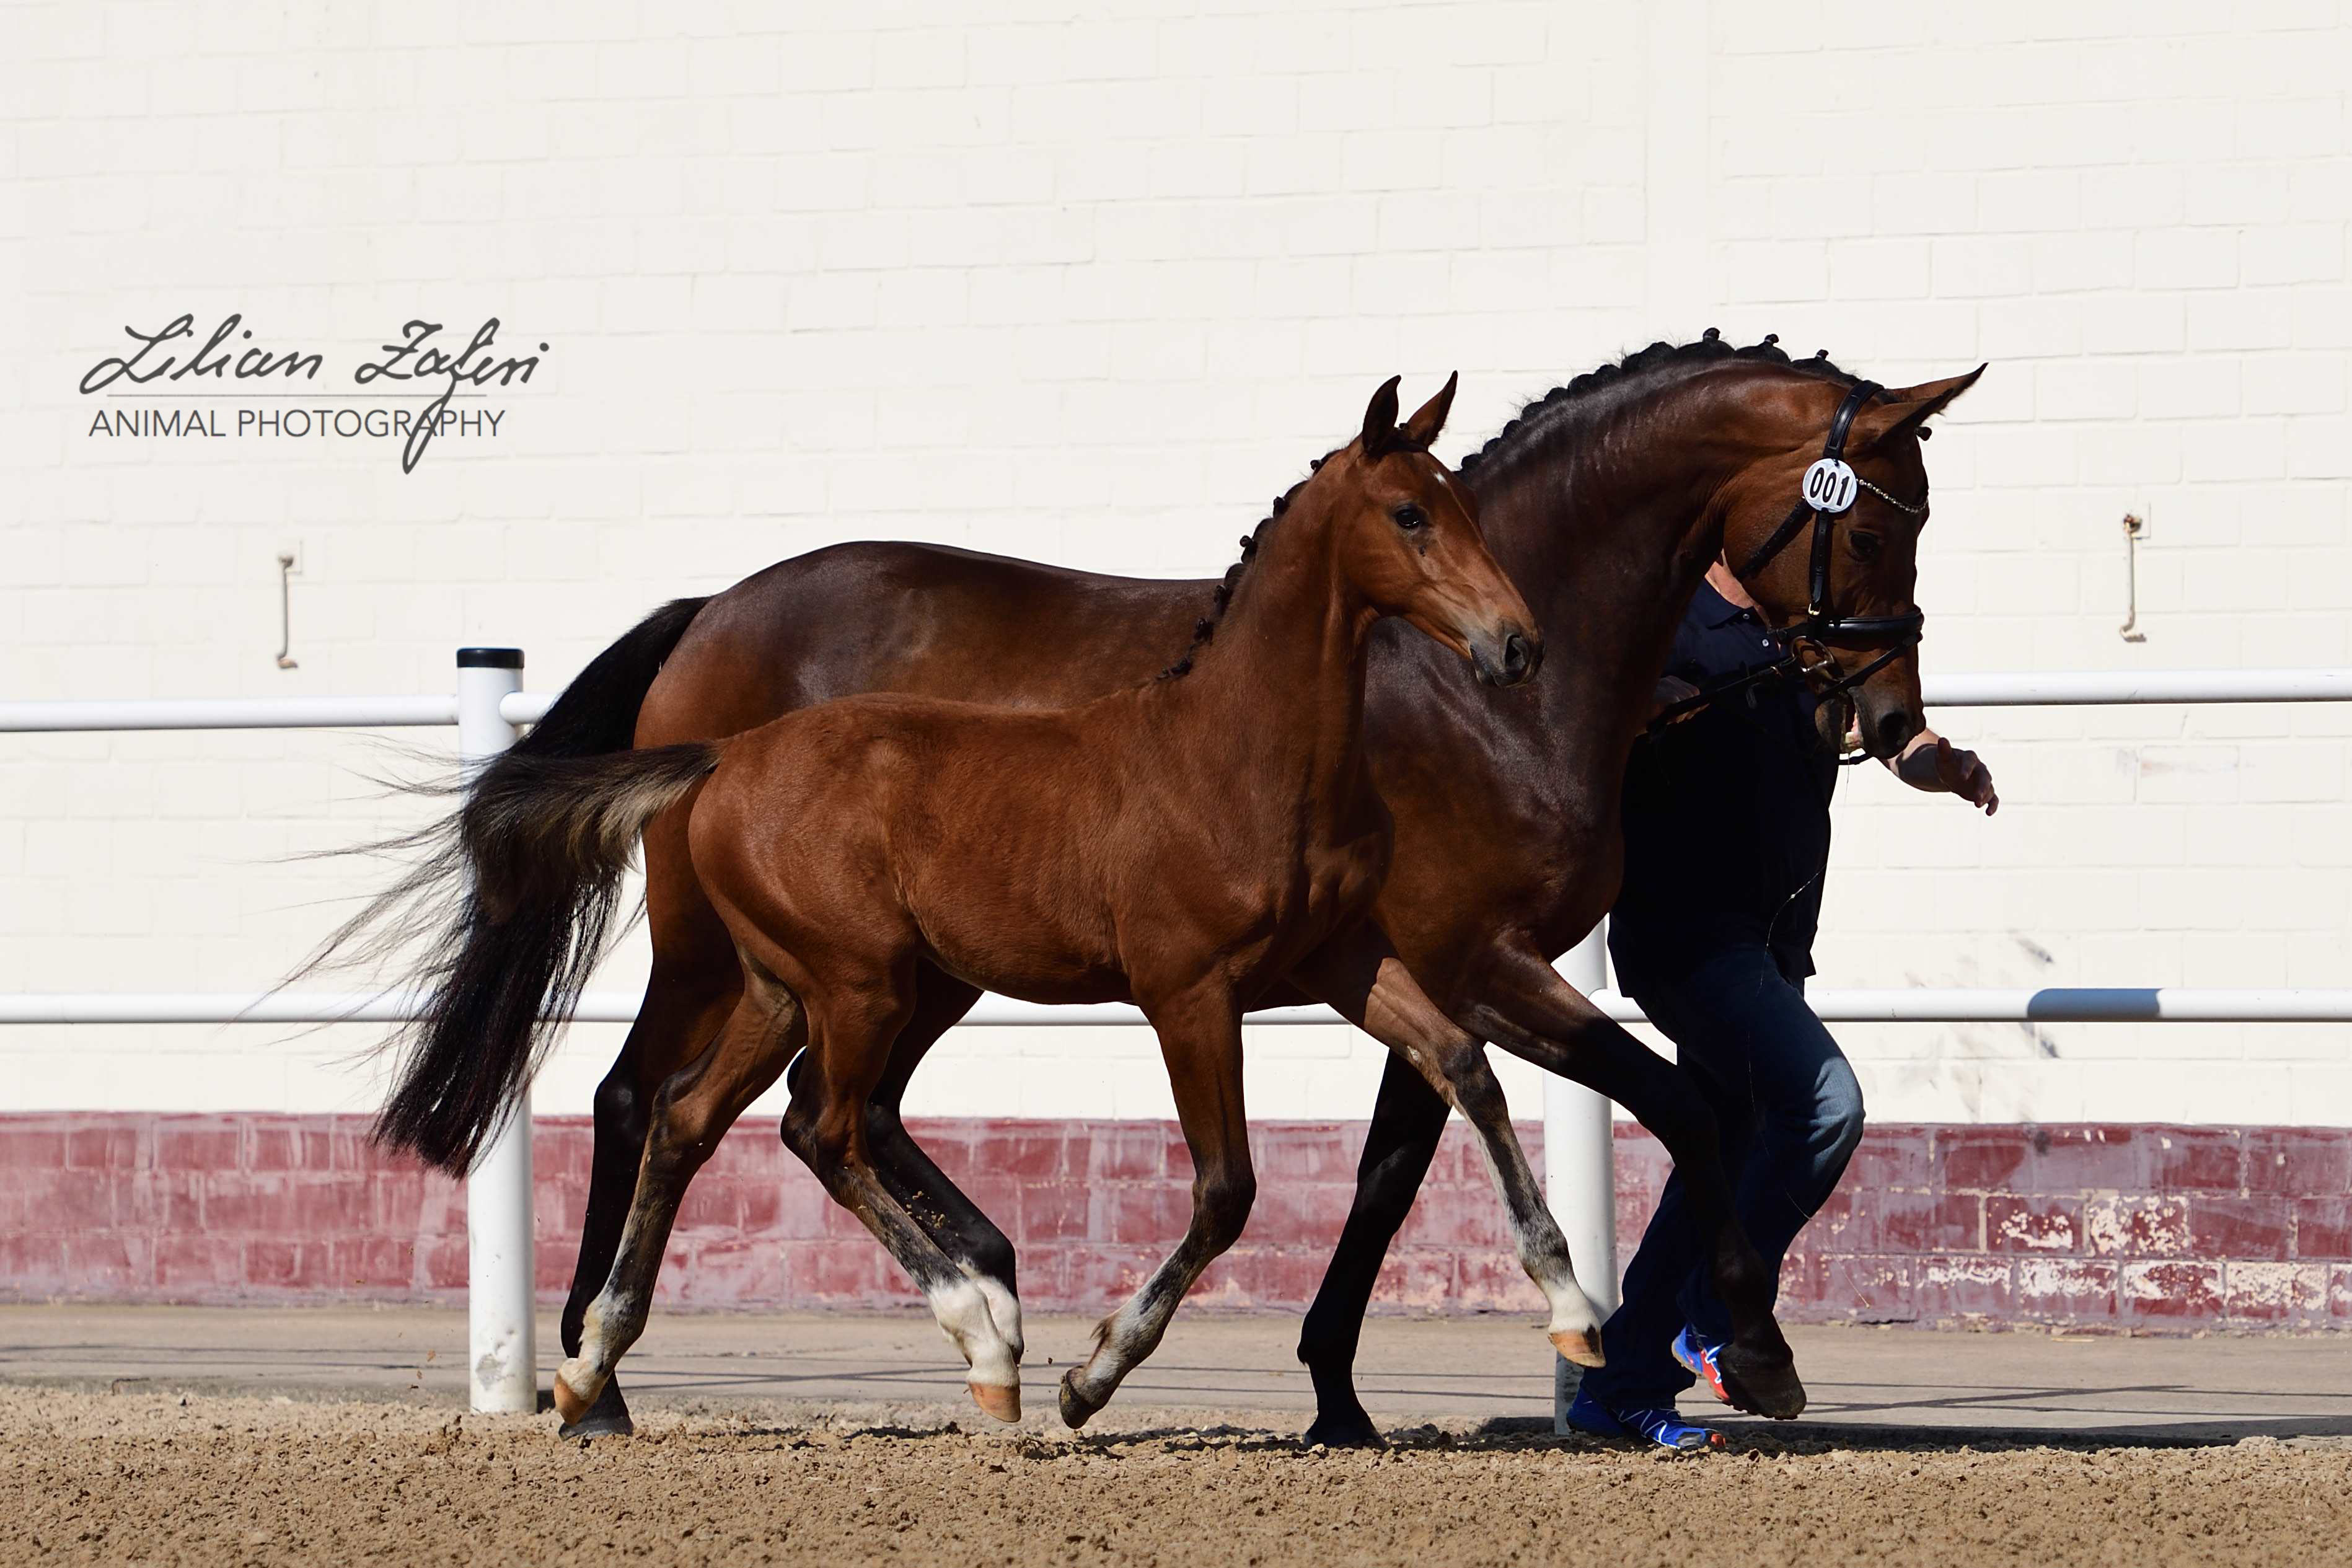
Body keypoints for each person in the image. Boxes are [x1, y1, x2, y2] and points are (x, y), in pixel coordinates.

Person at [1566, 557, 1997, 1452]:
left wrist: (1939, 763)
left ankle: (1624, 1384)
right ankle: (1718, 1310)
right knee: (1826, 1103)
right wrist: (1648, 702)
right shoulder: (1666, 611)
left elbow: (1892, 731)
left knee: (1715, 1169)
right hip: (1687, 934)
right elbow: (1585, 710)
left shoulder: (1811, 628)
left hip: (1770, 942)